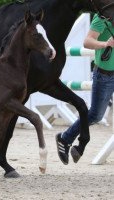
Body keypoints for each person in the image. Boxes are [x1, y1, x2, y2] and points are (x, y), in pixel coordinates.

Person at [56, 14, 114, 165]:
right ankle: (65, 138)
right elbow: (87, 42)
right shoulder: (102, 18)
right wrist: (105, 44)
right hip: (105, 74)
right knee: (96, 115)